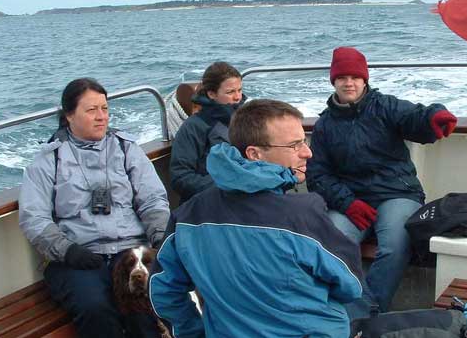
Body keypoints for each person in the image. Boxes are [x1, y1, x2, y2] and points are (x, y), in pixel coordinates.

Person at [150, 99, 364, 338]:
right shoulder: (302, 216)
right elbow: (351, 285)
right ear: (254, 153)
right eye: (295, 145)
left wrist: (196, 333)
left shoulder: (188, 216)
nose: (308, 152)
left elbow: (163, 290)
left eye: (304, 140)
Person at [306, 46, 457, 314]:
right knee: (333, 243)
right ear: (334, 81)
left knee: (395, 246)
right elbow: (318, 175)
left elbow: (414, 117)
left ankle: (368, 313)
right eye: (342, 77)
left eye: (355, 76)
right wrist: (348, 203)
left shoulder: (385, 106)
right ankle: (345, 309)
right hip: (351, 200)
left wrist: (435, 116)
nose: (349, 82)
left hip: (396, 193)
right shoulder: (325, 126)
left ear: (365, 79)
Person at [19, 78, 170, 338]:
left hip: (129, 250)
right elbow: (34, 218)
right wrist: (68, 251)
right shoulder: (49, 160)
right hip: (78, 257)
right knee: (96, 309)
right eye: (91, 110)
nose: (101, 117)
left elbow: (153, 200)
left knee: (145, 309)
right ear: (69, 115)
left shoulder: (126, 149)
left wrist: (160, 238)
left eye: (105, 109)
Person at [169, 61, 246, 203]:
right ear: (211, 93)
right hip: (211, 202)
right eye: (230, 92)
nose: (237, 97)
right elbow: (181, 177)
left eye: (239, 90)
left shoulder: (248, 120)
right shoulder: (194, 127)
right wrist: (230, 185)